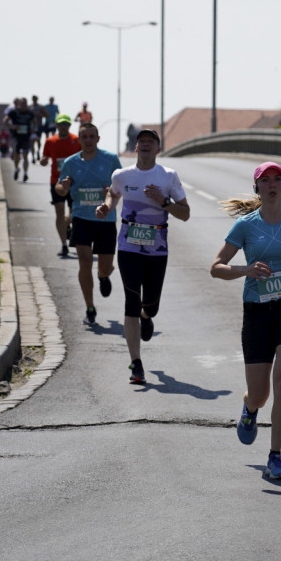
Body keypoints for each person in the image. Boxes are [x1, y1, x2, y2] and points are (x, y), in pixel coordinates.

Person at [210, 162, 281, 481]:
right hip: (257, 312)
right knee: (259, 393)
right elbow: (216, 267)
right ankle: (250, 409)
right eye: (266, 180)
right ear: (257, 188)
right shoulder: (245, 227)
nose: (273, 184)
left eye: (278, 180)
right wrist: (245, 270)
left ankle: (275, 456)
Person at [96, 129, 189, 385]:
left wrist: (164, 202)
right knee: (131, 300)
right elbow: (113, 194)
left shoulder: (168, 176)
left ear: (158, 149)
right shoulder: (122, 175)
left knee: (151, 304)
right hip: (128, 247)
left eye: (151, 142)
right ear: (135, 148)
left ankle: (147, 316)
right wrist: (106, 206)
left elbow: (185, 213)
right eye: (142, 142)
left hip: (157, 248)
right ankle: (136, 363)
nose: (146, 145)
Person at [56, 122, 122, 324]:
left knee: (106, 266)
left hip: (105, 218)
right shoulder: (70, 162)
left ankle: (103, 276)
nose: (88, 140)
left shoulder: (110, 160)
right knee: (84, 261)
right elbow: (59, 188)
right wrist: (64, 187)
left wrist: (110, 194)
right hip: (81, 217)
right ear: (79, 140)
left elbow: (120, 188)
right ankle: (90, 308)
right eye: (84, 137)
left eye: (92, 136)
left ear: (98, 139)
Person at [40, 114, 81, 257]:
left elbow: (84, 157)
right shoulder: (50, 141)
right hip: (56, 181)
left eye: (66, 124)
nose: (63, 127)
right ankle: (64, 245)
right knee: (59, 211)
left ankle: (67, 224)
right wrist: (43, 160)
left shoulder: (76, 140)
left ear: (69, 126)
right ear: (56, 126)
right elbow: (45, 157)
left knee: (74, 213)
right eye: (61, 124)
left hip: (74, 182)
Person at [4, 97, 34, 181]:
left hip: (26, 137)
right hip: (16, 137)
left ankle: (25, 173)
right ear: (18, 104)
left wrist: (33, 129)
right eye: (21, 104)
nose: (23, 105)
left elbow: (34, 122)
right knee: (16, 156)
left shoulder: (30, 113)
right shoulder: (13, 112)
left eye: (25, 104)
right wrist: (13, 126)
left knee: (25, 155)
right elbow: (5, 121)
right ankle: (16, 169)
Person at [29, 95, 48, 163]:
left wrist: (40, 114)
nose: (34, 100)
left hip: (39, 126)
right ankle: (33, 156)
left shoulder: (41, 107)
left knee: (38, 141)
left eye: (35, 99)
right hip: (31, 128)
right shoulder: (29, 107)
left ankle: (38, 152)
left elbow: (47, 115)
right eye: (33, 99)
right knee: (32, 142)